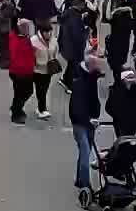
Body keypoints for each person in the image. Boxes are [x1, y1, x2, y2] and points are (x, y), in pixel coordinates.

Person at [68, 53, 103, 193]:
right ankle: (84, 184)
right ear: (90, 66)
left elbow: (94, 100)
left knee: (85, 152)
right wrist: (89, 119)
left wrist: (95, 115)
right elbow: (77, 106)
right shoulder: (80, 81)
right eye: (96, 65)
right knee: (85, 151)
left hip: (88, 121)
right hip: (80, 123)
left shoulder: (91, 77)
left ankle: (79, 180)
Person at [29, 20, 61, 119]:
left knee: (45, 89)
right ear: (41, 31)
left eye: (50, 31)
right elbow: (30, 55)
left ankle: (41, 108)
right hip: (37, 69)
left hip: (48, 69)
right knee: (40, 90)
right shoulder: (33, 40)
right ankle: (42, 109)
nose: (48, 34)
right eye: (46, 32)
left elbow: (55, 51)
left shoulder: (54, 40)